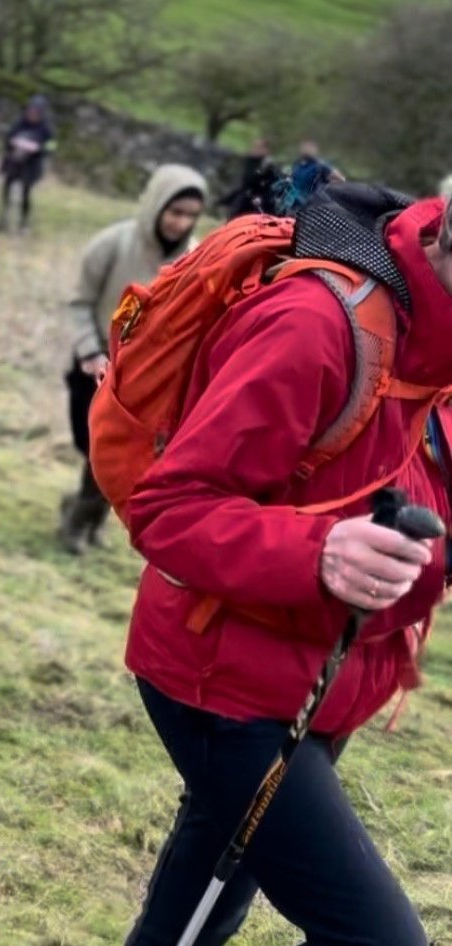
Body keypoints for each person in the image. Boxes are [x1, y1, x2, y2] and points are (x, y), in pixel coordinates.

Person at [121, 189, 452, 945]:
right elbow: (168, 506)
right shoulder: (314, 325)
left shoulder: (441, 354)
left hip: (323, 680)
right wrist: (321, 552)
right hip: (223, 678)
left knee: (200, 912)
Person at [61, 164, 207, 553]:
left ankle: (80, 523)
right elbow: (79, 303)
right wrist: (91, 352)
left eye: (190, 216)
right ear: (156, 205)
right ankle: (80, 511)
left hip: (146, 383)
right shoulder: (110, 244)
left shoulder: (198, 260)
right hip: (91, 368)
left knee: (118, 456)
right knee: (90, 448)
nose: (181, 223)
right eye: (175, 212)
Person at [0, 94, 55, 233]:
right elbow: (8, 138)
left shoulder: (46, 129)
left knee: (25, 193)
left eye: (35, 111)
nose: (31, 114)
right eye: (30, 110)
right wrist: (13, 143)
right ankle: (3, 218)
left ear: (41, 113)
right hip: (15, 162)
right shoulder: (19, 123)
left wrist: (39, 149)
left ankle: (23, 223)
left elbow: (52, 146)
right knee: (7, 188)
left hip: (31, 166)